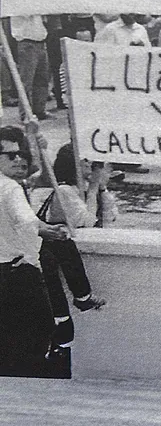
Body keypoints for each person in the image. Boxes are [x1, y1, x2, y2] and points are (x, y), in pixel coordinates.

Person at [30, 144, 107, 357]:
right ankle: (81, 298)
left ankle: (78, 303)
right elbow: (90, 221)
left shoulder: (59, 187)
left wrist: (100, 188)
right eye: (85, 161)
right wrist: (94, 189)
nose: (90, 166)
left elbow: (109, 215)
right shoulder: (63, 190)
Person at [0, 125, 61, 376]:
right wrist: (49, 231)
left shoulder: (14, 184)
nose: (19, 159)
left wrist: (39, 143)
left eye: (21, 154)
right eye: (11, 155)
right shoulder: (10, 188)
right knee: (37, 334)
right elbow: (26, 221)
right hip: (16, 272)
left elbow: (40, 175)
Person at [9, 15, 50, 120]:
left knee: (42, 79)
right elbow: (28, 14)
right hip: (27, 43)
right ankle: (25, 113)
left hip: (40, 41)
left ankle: (39, 110)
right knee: (26, 81)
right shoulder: (22, 3)